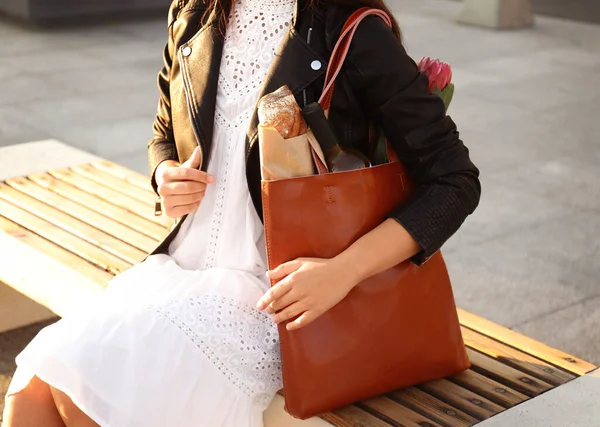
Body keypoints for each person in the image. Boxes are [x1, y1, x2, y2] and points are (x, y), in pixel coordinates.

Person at [1, 0, 481, 425]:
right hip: (179, 270)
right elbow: (164, 130)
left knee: (77, 388)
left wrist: (342, 272)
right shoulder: (194, 14)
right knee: (33, 391)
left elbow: (454, 179)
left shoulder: (351, 29)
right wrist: (163, 173)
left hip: (275, 295)